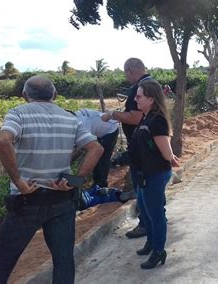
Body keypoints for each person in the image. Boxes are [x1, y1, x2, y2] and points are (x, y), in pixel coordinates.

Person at [0, 76, 102, 284]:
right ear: (54, 95)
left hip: (27, 201)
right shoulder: (69, 118)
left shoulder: (18, 113)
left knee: (2, 263)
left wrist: (19, 180)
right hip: (62, 201)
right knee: (63, 261)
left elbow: (3, 141)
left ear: (24, 95)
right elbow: (96, 148)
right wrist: (75, 180)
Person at [129, 79, 179, 269]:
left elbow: (165, 152)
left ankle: (159, 251)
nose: (136, 99)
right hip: (146, 173)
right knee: (145, 210)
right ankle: (151, 242)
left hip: (155, 174)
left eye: (139, 96)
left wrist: (170, 156)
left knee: (155, 214)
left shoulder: (156, 120)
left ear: (151, 99)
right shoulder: (147, 117)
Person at [101, 58, 152, 239]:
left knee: (143, 187)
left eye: (125, 72)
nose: (126, 76)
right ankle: (157, 218)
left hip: (141, 148)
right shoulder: (151, 83)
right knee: (151, 186)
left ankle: (146, 224)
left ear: (130, 70)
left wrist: (112, 114)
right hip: (149, 145)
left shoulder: (139, 89)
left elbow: (136, 118)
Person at [75, 109, 119, 188]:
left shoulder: (83, 124)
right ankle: (95, 183)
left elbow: (81, 148)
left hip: (110, 131)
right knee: (96, 158)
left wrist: (69, 161)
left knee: (102, 158)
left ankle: (101, 186)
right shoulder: (75, 116)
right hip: (100, 129)